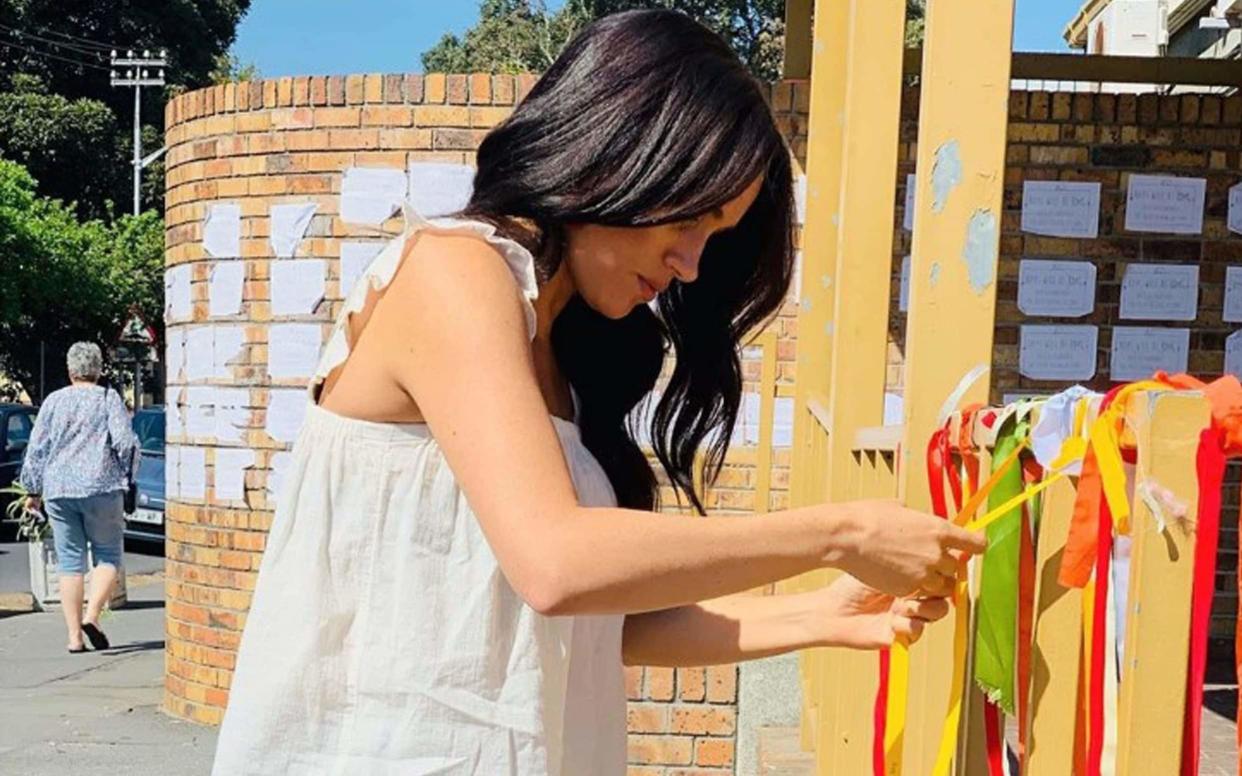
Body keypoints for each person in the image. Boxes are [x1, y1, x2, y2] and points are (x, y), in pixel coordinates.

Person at [213, 10, 985, 775]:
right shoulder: (453, 272)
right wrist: (841, 531)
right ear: (615, 155)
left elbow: (605, 623)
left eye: (715, 240)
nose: (689, 264)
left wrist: (819, 612)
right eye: (692, 220)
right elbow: (556, 565)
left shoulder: (561, 352)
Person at [21, 342, 138, 654]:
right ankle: (93, 615)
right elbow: (125, 442)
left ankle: (74, 637)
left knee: (69, 562)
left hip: (59, 489)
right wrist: (128, 475)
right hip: (102, 486)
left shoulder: (53, 401)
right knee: (109, 554)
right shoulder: (107, 398)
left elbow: (37, 449)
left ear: (70, 370)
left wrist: (32, 490)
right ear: (98, 369)